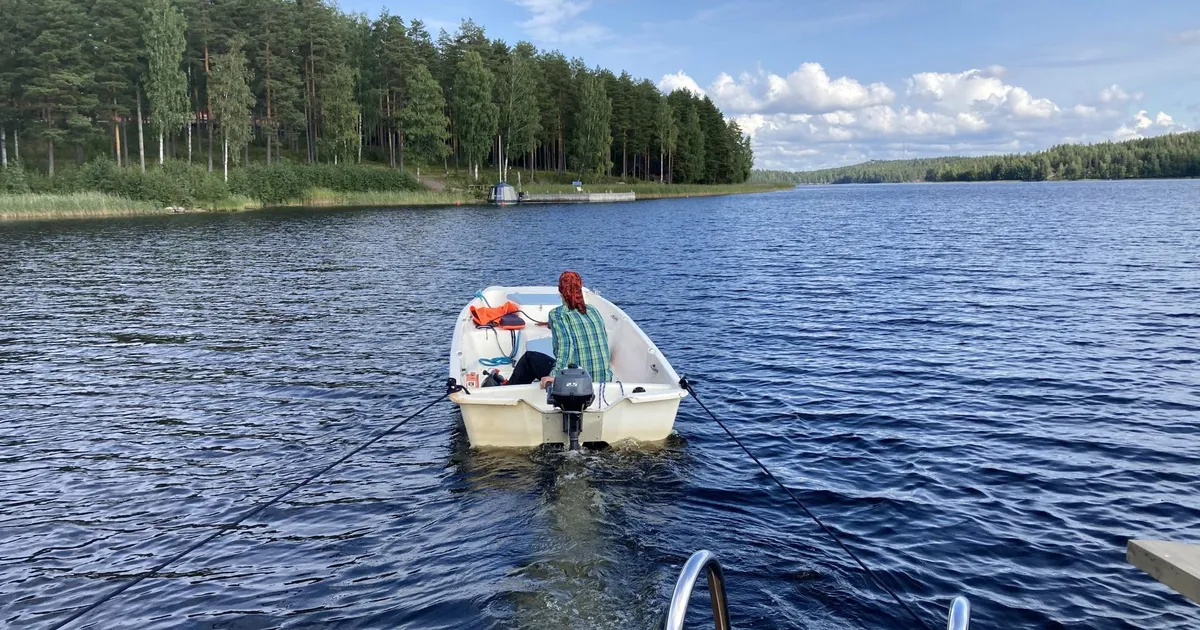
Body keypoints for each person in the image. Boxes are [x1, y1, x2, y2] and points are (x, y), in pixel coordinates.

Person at [506, 271, 613, 388]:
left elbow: (566, 346)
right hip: (603, 380)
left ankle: (508, 392)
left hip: (575, 381)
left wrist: (554, 375)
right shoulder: (593, 310)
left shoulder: (557, 315)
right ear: (580, 289)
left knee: (529, 359)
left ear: (560, 291)